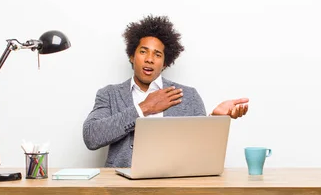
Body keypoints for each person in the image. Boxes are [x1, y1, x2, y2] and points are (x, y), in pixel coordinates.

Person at [82, 15, 249, 167]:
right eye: (143, 51)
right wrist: (143, 108)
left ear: (165, 63)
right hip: (121, 187)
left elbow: (202, 150)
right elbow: (91, 137)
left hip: (174, 185)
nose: (149, 59)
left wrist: (214, 120)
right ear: (132, 56)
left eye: (157, 54)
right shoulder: (110, 94)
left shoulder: (188, 96)